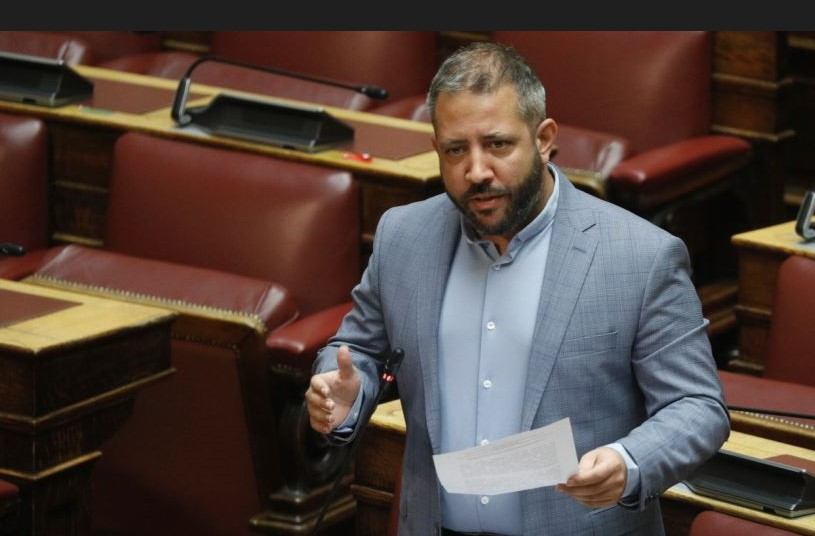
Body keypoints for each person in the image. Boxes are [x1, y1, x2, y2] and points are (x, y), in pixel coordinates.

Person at [306, 41, 730, 536]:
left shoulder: (639, 256)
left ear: (544, 139)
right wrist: (344, 393)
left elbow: (697, 407)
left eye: (498, 145)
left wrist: (630, 460)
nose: (477, 171)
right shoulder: (404, 237)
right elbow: (356, 349)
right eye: (456, 150)